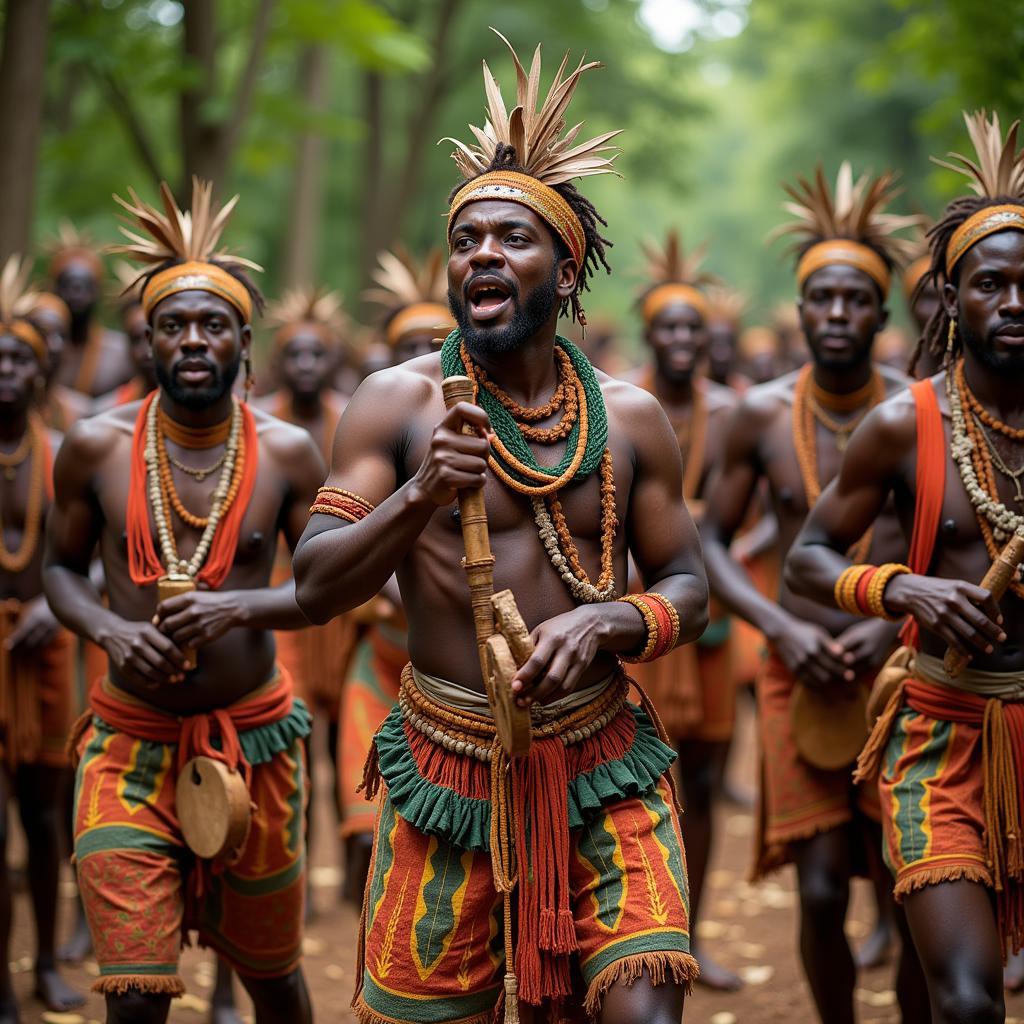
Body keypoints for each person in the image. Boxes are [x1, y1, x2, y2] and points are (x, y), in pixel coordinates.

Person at [294, 34, 707, 1023]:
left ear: (566, 275)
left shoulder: (628, 415)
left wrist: (608, 623)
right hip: (447, 761)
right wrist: (419, 496)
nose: (483, 252)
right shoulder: (392, 406)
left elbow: (688, 586)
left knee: (642, 1005)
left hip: (603, 759)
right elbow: (314, 585)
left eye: (513, 239)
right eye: (467, 238)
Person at [43, 179, 323, 1024]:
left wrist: (243, 608)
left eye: (213, 325)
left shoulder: (288, 454)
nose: (193, 339)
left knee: (272, 978)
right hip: (128, 743)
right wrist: (107, 630)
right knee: (134, 991)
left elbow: (322, 587)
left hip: (256, 745)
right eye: (174, 325)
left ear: (245, 340)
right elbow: (59, 572)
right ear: (149, 341)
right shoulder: (95, 447)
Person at [787, 110, 1024, 1024]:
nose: (1012, 302)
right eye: (989, 284)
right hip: (939, 736)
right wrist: (900, 586)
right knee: (966, 1001)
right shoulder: (906, 426)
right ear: (951, 300)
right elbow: (808, 559)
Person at [699, 162, 925, 1023]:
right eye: (821, 299)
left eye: (856, 300)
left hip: (901, 673)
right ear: (798, 310)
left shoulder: (918, 413)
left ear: (881, 313)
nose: (837, 315)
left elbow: (948, 543)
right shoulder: (756, 415)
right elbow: (711, 540)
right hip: (797, 669)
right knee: (824, 889)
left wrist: (893, 623)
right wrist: (774, 629)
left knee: (908, 882)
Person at [626, 230, 741, 990]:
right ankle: (641, 933)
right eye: (667, 327)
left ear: (706, 338)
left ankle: (690, 938)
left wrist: (697, 534)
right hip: (639, 613)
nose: (679, 339)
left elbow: (739, 525)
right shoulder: (621, 407)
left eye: (691, 328)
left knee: (702, 780)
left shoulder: (730, 414)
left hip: (708, 619)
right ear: (649, 335)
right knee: (639, 775)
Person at [336, 247, 457, 905]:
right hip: (385, 664)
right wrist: (387, 582)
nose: (425, 355)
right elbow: (328, 553)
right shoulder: (371, 425)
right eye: (410, 345)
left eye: (435, 342)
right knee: (367, 825)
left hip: (467, 682)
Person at [0, 258, 84, 1023]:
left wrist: (54, 612)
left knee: (44, 815)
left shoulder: (63, 452)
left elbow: (82, 559)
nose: (5, 369)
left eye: (19, 357)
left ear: (40, 369)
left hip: (46, 653)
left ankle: (50, 962)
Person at [253, 286, 357, 905]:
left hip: (346, 605)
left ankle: (349, 872)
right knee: (292, 737)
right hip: (280, 604)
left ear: (332, 360)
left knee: (342, 734)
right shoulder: (264, 423)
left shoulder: (354, 416)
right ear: (279, 361)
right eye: (296, 356)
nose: (306, 367)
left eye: (317, 356)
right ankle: (292, 869)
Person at [47, 224, 134, 397]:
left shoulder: (121, 353)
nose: (76, 294)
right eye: (68, 285)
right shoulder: (43, 352)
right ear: (54, 290)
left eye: (84, 286)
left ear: (97, 291)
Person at [704, 284, 750, 391]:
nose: (721, 354)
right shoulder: (690, 392)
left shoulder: (745, 390)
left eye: (728, 344)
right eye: (714, 344)